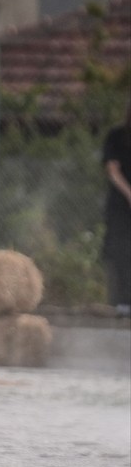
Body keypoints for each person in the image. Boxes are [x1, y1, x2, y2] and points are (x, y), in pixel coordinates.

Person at [101, 103, 131, 318]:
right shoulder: (117, 136)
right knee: (120, 251)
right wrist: (129, 194)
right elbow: (112, 169)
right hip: (120, 206)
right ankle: (123, 302)